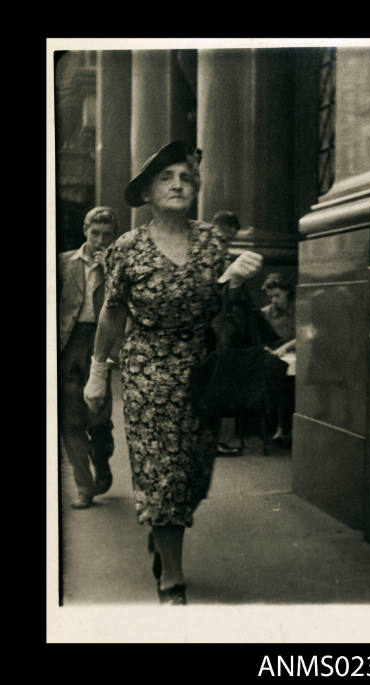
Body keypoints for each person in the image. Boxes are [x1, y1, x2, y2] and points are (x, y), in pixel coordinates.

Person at [83, 140, 262, 604]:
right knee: (163, 473)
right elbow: (111, 313)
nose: (178, 185)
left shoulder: (211, 242)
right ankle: (172, 579)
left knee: (193, 473)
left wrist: (234, 281)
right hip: (146, 374)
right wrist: (98, 372)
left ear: (197, 187)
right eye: (167, 178)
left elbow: (221, 310)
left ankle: (162, 527)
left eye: (185, 177)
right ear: (146, 193)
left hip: (201, 375)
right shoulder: (129, 247)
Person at [59, 206, 119, 509]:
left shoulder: (118, 265)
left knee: (97, 418)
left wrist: (110, 269)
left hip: (101, 344)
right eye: (95, 233)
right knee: (69, 421)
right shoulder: (63, 262)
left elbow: (123, 308)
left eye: (107, 235)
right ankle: (84, 487)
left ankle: (103, 459)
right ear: (85, 230)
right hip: (69, 345)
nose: (100, 240)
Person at [211, 210, 243, 456]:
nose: (225, 246)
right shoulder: (212, 257)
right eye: (223, 239)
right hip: (213, 328)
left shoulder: (224, 258)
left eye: (228, 241)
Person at [261, 272, 296, 448]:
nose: (274, 300)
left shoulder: (299, 309)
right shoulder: (267, 313)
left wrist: (286, 347)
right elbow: (260, 337)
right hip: (277, 360)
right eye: (271, 296)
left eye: (277, 295)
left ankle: (285, 428)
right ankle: (280, 428)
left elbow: (306, 334)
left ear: (287, 292)